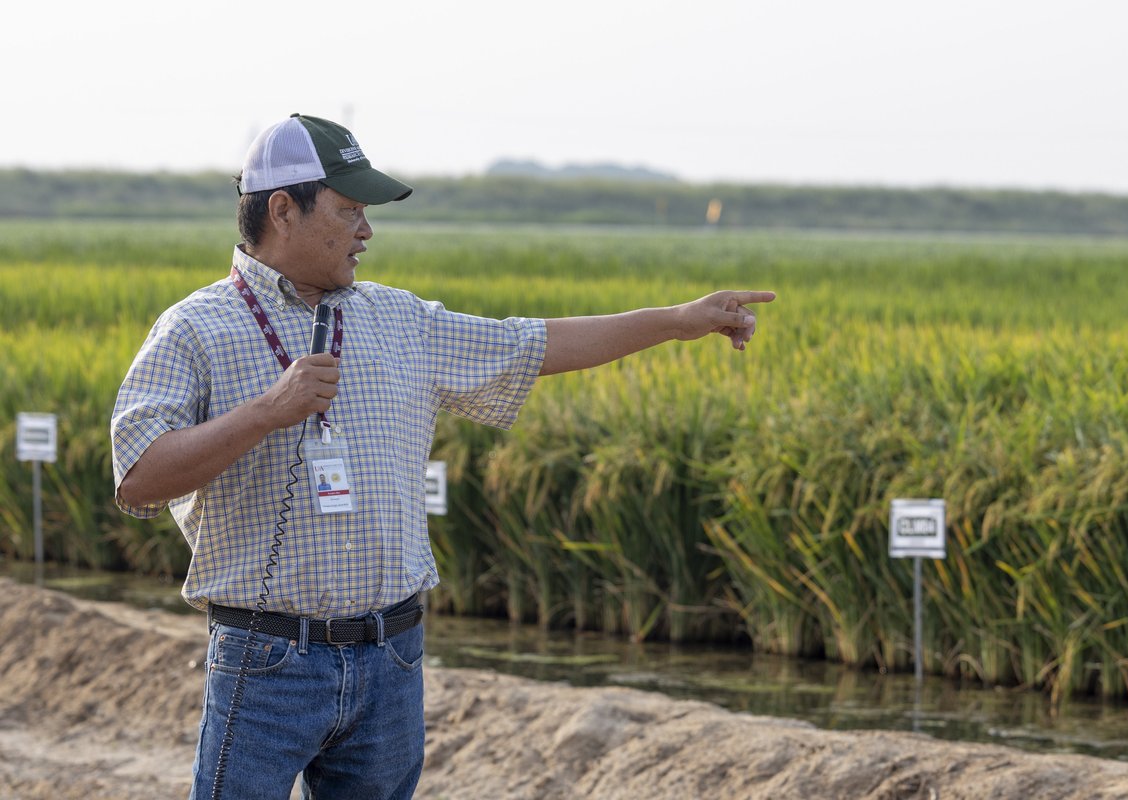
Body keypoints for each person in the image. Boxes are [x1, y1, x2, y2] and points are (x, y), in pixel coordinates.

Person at [110, 112, 774, 800]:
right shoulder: (195, 328)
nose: (367, 231)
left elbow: (532, 344)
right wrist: (266, 413)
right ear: (283, 209)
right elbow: (138, 478)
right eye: (349, 210)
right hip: (267, 658)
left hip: (390, 658)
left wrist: (679, 321)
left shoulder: (397, 320)